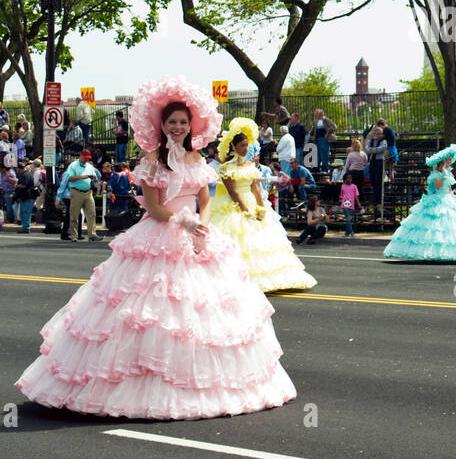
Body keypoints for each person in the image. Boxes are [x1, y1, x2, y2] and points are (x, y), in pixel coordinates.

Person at [16, 76, 298, 419]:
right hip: (160, 232)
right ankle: (135, 386)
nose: (177, 127)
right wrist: (183, 222)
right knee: (147, 314)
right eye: (172, 122)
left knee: (204, 311)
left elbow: (204, 197)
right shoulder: (151, 160)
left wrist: (203, 224)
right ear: (161, 124)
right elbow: (153, 208)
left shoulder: (196, 159)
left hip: (197, 234)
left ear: (191, 125)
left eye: (183, 122)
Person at [210, 117, 316, 292]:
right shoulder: (226, 168)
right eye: (242, 145)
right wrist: (246, 210)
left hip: (251, 201)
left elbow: (255, 188)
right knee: (238, 239)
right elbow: (233, 193)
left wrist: (261, 207)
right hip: (235, 205)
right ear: (234, 147)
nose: (245, 149)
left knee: (261, 242)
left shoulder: (250, 165)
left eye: (247, 145)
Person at [384, 144, 456, 263]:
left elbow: (448, 189)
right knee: (435, 228)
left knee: (451, 229)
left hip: (447, 200)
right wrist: (442, 174)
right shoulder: (438, 173)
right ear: (443, 160)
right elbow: (438, 187)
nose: (450, 160)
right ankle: (432, 252)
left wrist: (454, 200)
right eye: (448, 158)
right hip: (438, 200)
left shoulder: (447, 172)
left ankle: (449, 253)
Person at [60, 150, 101, 242]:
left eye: (88, 158)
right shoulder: (73, 166)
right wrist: (84, 176)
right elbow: (70, 178)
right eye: (85, 158)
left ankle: (92, 234)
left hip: (88, 192)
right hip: (76, 192)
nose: (86, 160)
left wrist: (95, 178)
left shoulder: (90, 166)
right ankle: (74, 235)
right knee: (74, 214)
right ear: (81, 156)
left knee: (91, 213)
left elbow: (96, 177)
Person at [12, 163, 40, 233]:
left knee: (25, 212)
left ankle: (26, 228)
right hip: (26, 196)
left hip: (28, 196)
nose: (17, 170)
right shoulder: (27, 174)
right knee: (24, 212)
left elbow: (24, 185)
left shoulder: (26, 175)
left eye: (17, 169)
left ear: (20, 168)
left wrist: (16, 186)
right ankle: (25, 227)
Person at [339, 172, 360, 236]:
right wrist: (340, 203)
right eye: (347, 178)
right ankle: (351, 232)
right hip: (344, 204)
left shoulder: (354, 186)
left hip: (351, 204)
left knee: (349, 219)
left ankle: (347, 232)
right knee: (348, 218)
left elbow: (356, 196)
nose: (349, 179)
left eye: (350, 178)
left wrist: (358, 203)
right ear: (345, 179)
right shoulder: (342, 186)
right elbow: (341, 195)